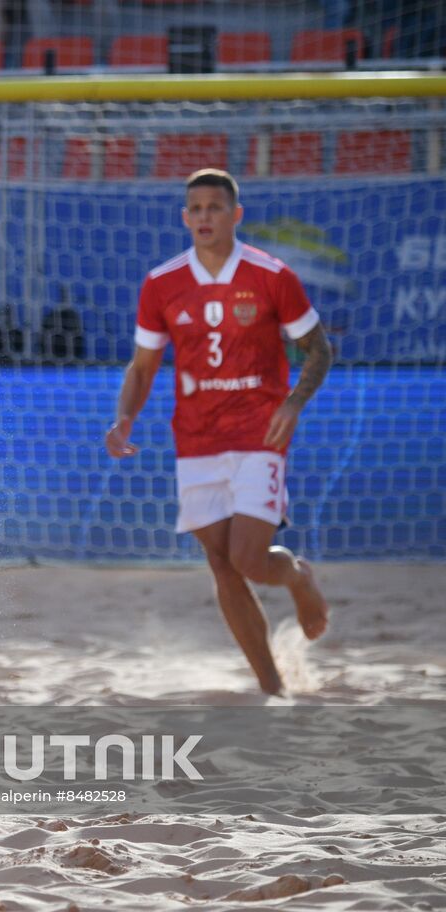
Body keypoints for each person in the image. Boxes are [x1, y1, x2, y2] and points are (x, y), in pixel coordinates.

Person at [105, 168, 333, 696]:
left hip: (261, 431)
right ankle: (273, 688)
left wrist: (295, 403)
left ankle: (298, 577)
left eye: (215, 206)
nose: (205, 216)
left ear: (236, 214)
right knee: (221, 564)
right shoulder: (162, 282)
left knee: (249, 559)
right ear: (185, 218)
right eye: (196, 208)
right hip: (197, 438)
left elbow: (319, 348)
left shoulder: (271, 274)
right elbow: (142, 367)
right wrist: (124, 418)